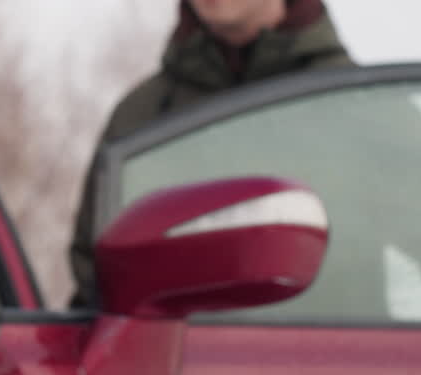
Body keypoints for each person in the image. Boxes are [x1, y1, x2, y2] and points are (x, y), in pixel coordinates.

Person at [68, 0, 354, 307]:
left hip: (329, 348)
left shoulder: (358, 105)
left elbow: (412, 233)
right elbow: (94, 273)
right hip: (173, 350)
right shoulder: (142, 114)